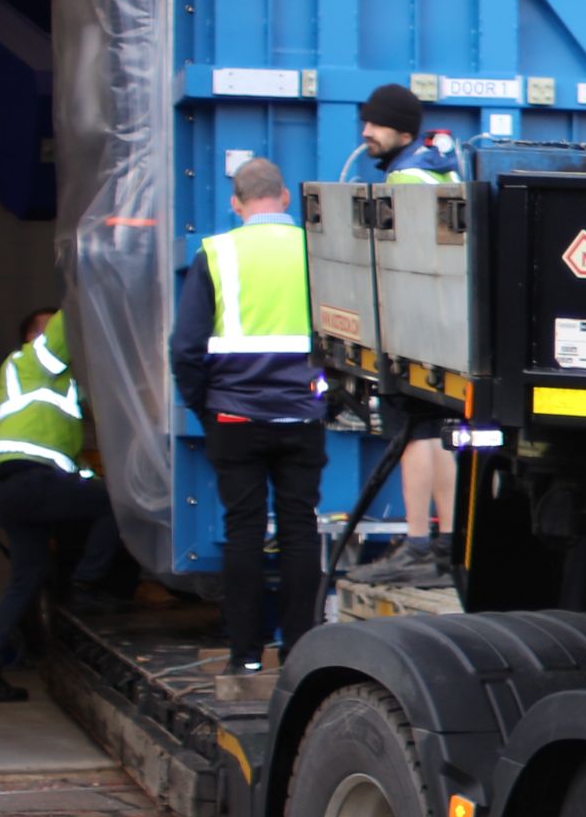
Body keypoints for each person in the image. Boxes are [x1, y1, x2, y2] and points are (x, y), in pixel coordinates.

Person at [171, 154, 328, 675]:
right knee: (300, 527)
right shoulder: (317, 250)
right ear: (284, 198)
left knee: (244, 530)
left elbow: (185, 348)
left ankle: (245, 656)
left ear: (236, 204)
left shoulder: (216, 253)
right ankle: (300, 652)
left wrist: (205, 406)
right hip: (301, 414)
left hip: (234, 417)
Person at [0, 302, 128, 703]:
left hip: (13, 488)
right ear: (30, 337)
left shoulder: (56, 386)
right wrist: (89, 283)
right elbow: (70, 315)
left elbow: (66, 459)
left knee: (26, 578)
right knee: (116, 504)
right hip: (30, 481)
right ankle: (86, 584)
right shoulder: (33, 361)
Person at [339, 82, 463, 581]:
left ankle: (416, 546)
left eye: (376, 124)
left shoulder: (406, 180)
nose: (366, 133)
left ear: (404, 132)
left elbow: (401, 260)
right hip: (445, 326)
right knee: (439, 434)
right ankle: (447, 546)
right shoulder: (439, 169)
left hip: (414, 328)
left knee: (412, 433)